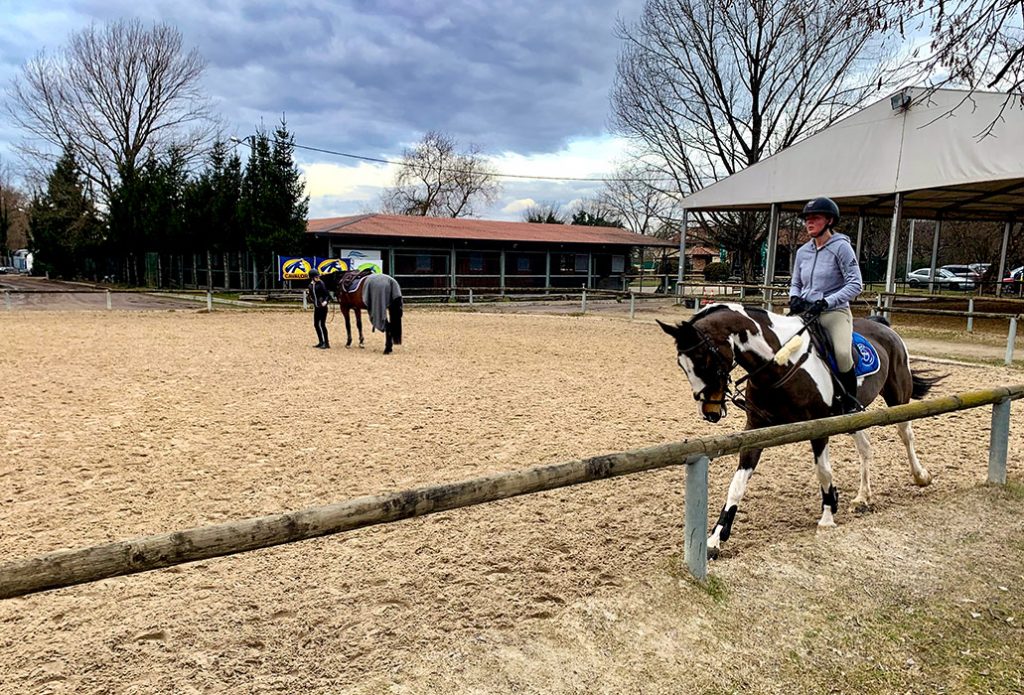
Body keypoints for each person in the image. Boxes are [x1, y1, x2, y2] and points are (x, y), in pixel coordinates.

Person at [788, 197, 863, 413]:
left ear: (829, 220)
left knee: (841, 352)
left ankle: (850, 403)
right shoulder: (803, 252)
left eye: (815, 218)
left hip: (834, 312)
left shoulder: (841, 247)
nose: (809, 223)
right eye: (807, 219)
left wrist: (827, 301)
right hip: (804, 311)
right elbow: (796, 282)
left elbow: (856, 284)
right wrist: (794, 296)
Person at [308, 268, 331, 349]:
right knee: (316, 324)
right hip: (317, 307)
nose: (318, 278)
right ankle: (321, 341)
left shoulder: (321, 283)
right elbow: (311, 296)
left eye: (318, 276)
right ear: (312, 278)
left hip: (323, 307)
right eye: (316, 277)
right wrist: (310, 299)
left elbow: (327, 295)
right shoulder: (310, 286)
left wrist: (325, 301)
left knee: (322, 324)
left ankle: (327, 343)